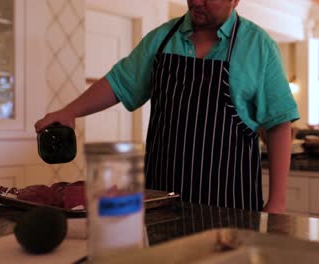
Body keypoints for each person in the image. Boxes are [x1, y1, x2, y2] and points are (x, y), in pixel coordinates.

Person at [35, 0, 299, 213]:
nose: (197, 2)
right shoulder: (162, 39)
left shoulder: (258, 46)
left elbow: (278, 125)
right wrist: (70, 111)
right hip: (161, 201)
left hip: (230, 204)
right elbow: (119, 84)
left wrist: (277, 201)